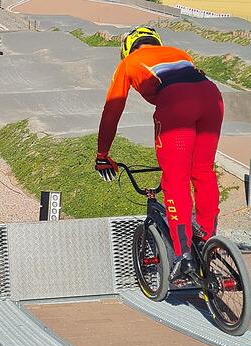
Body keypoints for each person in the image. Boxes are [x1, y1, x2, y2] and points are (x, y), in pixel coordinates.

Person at [94, 27, 223, 281]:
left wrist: (102, 154)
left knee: (175, 180)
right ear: (156, 42)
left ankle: (183, 255)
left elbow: (112, 110)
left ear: (128, 49)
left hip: (176, 105)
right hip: (212, 98)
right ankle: (209, 241)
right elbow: (196, 80)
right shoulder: (180, 53)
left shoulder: (129, 63)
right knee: (203, 170)